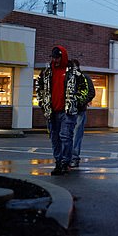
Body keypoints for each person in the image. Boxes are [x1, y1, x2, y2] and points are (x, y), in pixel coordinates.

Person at [36, 45, 88, 175]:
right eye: (53, 57)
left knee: (66, 137)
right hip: (52, 111)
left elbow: (85, 88)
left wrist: (76, 100)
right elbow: (39, 87)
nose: (55, 60)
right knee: (55, 138)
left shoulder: (74, 72)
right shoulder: (47, 72)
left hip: (67, 112)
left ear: (63, 57)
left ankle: (65, 163)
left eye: (57, 57)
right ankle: (58, 163)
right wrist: (42, 103)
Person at [70, 59, 96, 168]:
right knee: (68, 135)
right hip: (68, 110)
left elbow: (91, 92)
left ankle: (74, 158)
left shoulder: (84, 78)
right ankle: (69, 157)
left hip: (79, 110)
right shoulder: (68, 78)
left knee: (76, 135)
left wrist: (82, 102)